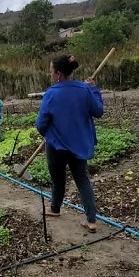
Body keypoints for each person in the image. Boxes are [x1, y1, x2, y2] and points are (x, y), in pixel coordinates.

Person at [35, 55, 104, 232]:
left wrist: (49, 135)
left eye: (51, 71)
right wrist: (94, 90)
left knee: (58, 179)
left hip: (56, 146)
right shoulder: (85, 90)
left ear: (58, 74)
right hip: (79, 144)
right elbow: (98, 111)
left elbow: (41, 124)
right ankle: (91, 220)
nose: (50, 74)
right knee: (82, 180)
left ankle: (55, 209)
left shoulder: (51, 94)